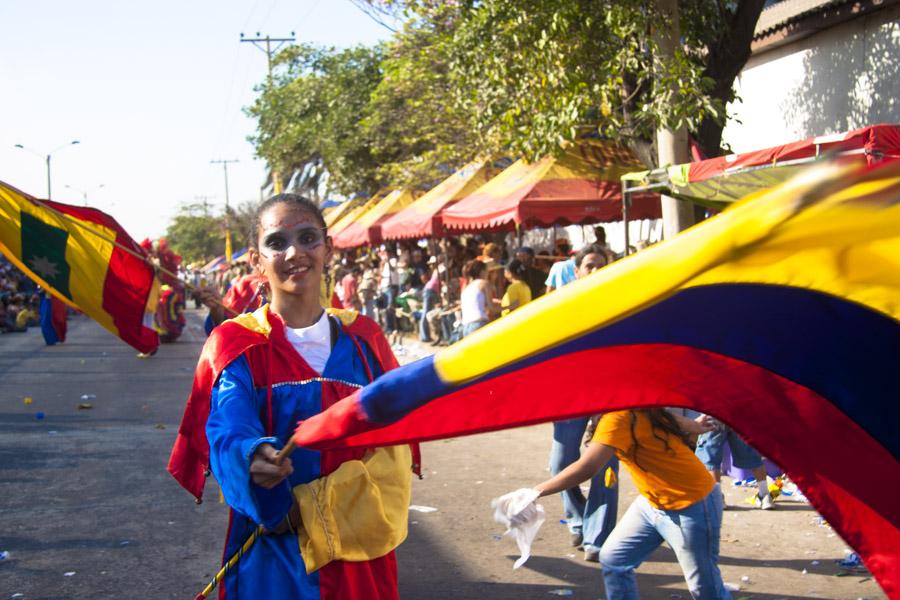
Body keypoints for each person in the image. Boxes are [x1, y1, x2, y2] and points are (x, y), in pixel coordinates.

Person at [168, 194, 414, 599]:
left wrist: (311, 509)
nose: (295, 252)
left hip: (360, 560)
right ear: (255, 260)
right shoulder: (236, 343)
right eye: (277, 242)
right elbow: (227, 424)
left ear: (328, 248)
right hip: (273, 555)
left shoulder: (366, 340)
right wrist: (251, 457)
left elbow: (395, 447)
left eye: (307, 237)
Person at [526, 409, 730, 599]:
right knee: (614, 559)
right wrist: (692, 425)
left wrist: (534, 492)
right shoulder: (631, 409)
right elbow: (665, 417)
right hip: (652, 503)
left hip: (691, 504)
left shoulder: (618, 417)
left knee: (706, 589)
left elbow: (587, 467)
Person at [547, 245, 615, 562]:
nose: (596, 270)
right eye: (589, 265)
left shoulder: (621, 305)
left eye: (602, 265)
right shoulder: (561, 305)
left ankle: (597, 537)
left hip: (610, 393)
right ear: (576, 271)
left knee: (604, 464)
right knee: (561, 462)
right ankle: (577, 518)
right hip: (569, 392)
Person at [695, 421, 775, 509]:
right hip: (738, 414)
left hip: (715, 414)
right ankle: (765, 495)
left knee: (710, 458)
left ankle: (717, 499)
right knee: (752, 455)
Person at [460, 259, 494, 337]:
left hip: (466, 327)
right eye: (487, 271)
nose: (488, 273)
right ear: (482, 271)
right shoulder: (484, 283)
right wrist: (510, 306)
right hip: (479, 324)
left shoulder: (466, 288)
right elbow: (492, 308)